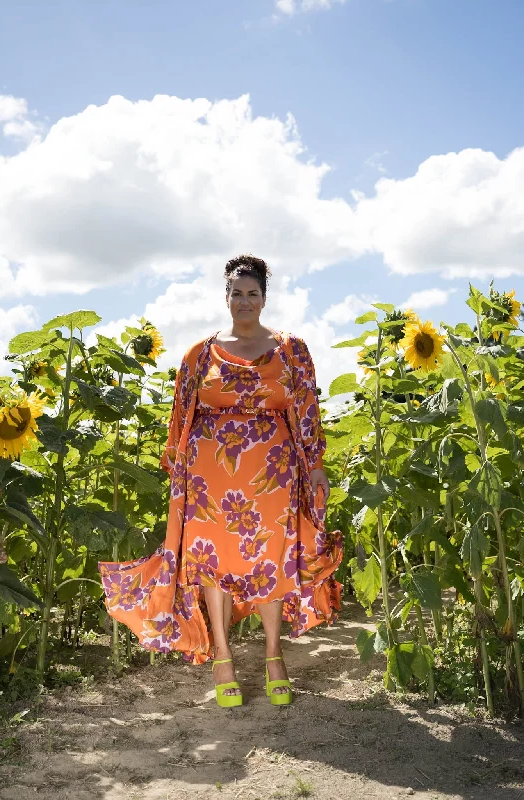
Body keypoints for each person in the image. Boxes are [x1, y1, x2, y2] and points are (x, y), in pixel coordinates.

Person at [98, 254, 342, 708]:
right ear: (225, 297)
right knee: (211, 562)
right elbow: (179, 419)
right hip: (208, 475)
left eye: (252, 293)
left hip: (273, 471)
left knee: (271, 557)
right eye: (236, 293)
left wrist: (315, 463)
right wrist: (178, 473)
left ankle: (274, 654)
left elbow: (306, 410)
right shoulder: (198, 354)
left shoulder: (292, 349)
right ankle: (223, 658)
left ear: (264, 299)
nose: (244, 301)